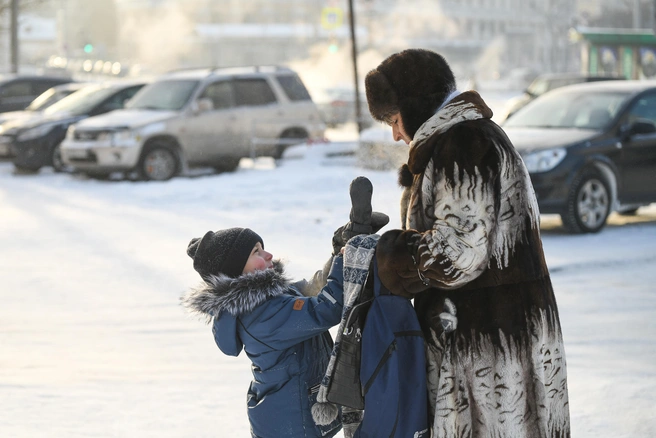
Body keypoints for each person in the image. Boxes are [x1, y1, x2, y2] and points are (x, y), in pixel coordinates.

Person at [364, 49, 570, 437]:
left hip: (488, 342)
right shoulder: (465, 138)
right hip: (498, 329)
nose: (394, 133)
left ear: (414, 107)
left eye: (394, 120)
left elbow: (458, 252)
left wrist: (387, 254)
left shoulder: (463, 144)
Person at [181, 227, 344, 438]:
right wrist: (345, 262)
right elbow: (325, 310)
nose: (268, 255)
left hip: (292, 416)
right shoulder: (260, 315)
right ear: (236, 269)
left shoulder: (268, 298)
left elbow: (314, 289)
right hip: (290, 425)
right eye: (256, 252)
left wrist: (339, 255)